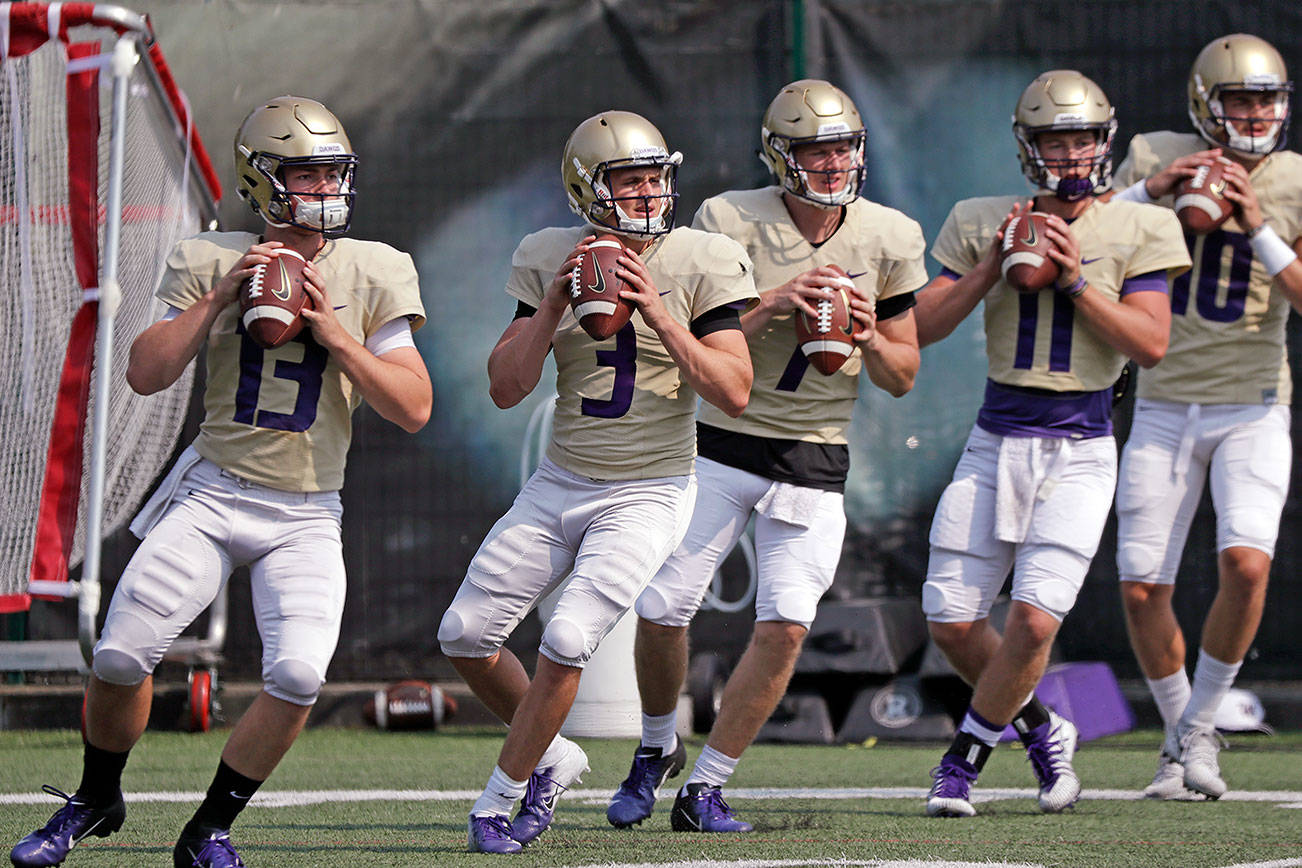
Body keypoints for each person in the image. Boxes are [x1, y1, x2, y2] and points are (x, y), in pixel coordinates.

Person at [9, 95, 431, 868]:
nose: (326, 189)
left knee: (300, 674)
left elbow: (412, 406)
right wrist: (217, 298)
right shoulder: (210, 257)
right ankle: (96, 795)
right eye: (307, 174)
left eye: (333, 172)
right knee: (116, 657)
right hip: (212, 490)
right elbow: (143, 373)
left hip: (306, 511)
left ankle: (209, 828)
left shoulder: (375, 268)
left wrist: (335, 332)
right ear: (263, 179)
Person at [603, 79, 924, 834]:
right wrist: (778, 300)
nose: (832, 163)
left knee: (785, 625)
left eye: (841, 146)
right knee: (660, 606)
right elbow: (692, 339)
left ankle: (707, 785)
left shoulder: (890, 235)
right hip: (718, 442)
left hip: (815, 456)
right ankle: (655, 747)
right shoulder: (727, 220)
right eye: (815, 149)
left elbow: (903, 374)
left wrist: (868, 329)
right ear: (781, 155)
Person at [437, 109, 757, 854]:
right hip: (561, 480)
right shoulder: (549, 253)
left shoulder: (703, 257)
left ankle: (500, 799)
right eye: (628, 181)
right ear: (587, 189)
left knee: (571, 634)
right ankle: (553, 756)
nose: (647, 195)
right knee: (463, 634)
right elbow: (506, 387)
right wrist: (551, 304)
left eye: (655, 178)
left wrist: (661, 315)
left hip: (649, 489)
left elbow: (734, 391)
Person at [912, 70, 1190, 818]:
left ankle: (961, 763)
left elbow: (1153, 342)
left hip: (1082, 443)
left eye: (1081, 140)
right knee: (950, 620)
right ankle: (1042, 730)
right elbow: (922, 327)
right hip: (996, 437)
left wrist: (1073, 282)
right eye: (1053, 141)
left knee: (1035, 618)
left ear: (1104, 142)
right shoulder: (981, 217)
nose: (1070, 156)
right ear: (1028, 149)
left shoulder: (1143, 224)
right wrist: (988, 266)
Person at [1110, 33, 1302, 800]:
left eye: (1267, 99)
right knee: (1138, 585)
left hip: (1252, 400)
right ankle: (1179, 735)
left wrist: (1255, 220)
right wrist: (1151, 192)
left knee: (1247, 562)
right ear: (1205, 104)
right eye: (1241, 100)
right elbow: (1097, 235)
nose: (1256, 114)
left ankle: (1197, 731)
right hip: (1160, 398)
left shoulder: (1292, 178)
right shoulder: (1156, 151)